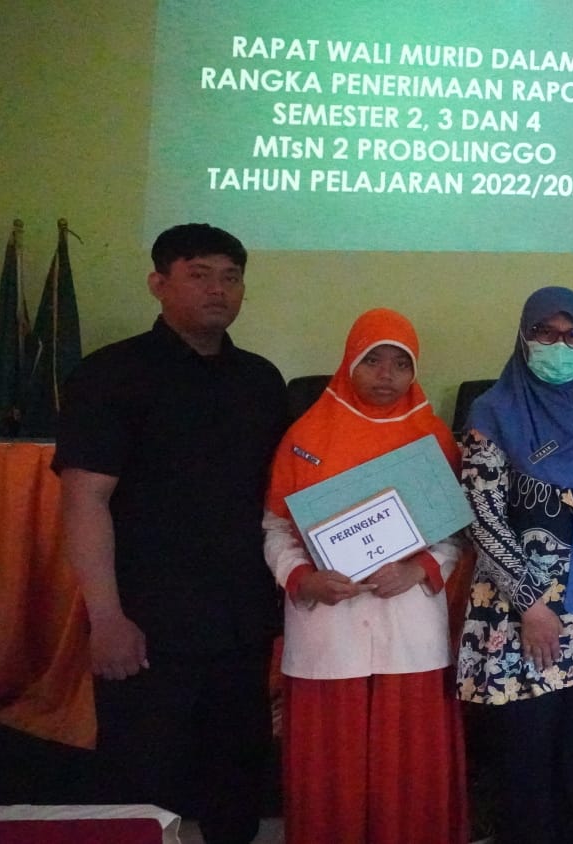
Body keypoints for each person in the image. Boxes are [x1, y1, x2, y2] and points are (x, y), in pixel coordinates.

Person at [53, 223, 287, 844]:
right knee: (141, 791)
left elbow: (286, 500)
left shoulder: (262, 381)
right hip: (146, 627)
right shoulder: (110, 375)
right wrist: (106, 618)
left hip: (241, 624)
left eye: (231, 277)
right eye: (199, 275)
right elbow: (85, 501)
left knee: (236, 791)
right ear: (158, 284)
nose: (218, 289)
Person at [262, 308, 468, 844]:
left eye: (400, 363)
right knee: (334, 767)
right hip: (329, 625)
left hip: (409, 624)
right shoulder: (306, 436)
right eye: (373, 360)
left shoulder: (432, 437)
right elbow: (276, 528)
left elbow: (454, 534)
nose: (386, 375)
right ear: (350, 361)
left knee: (410, 766)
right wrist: (301, 578)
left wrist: (419, 568)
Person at [456, 287, 573, 844]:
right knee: (525, 757)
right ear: (523, 336)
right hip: (518, 614)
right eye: (545, 333)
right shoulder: (493, 413)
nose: (560, 345)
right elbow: (481, 516)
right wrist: (531, 605)